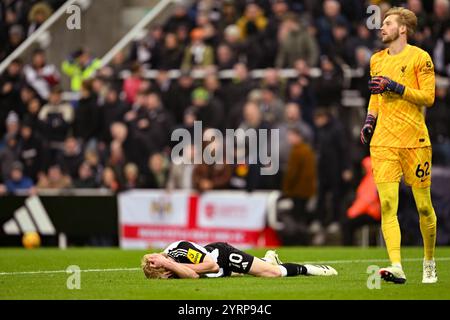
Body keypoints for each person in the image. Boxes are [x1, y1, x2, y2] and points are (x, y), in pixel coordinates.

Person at [361, 7, 437, 284]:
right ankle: (397, 265)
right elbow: (375, 97)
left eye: (388, 23)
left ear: (402, 29)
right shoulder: (376, 59)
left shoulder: (420, 58)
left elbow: (428, 97)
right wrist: (370, 120)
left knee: (424, 207)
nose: (382, 27)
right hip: (383, 143)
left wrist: (396, 86)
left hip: (414, 141)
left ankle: (429, 261)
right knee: (388, 204)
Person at [141, 240, 337, 279]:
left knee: (272, 274)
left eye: (155, 258)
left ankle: (310, 269)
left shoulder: (179, 249)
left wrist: (169, 263)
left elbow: (211, 265)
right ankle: (268, 258)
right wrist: (170, 267)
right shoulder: (171, 270)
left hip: (223, 257)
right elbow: (192, 276)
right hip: (221, 272)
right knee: (266, 267)